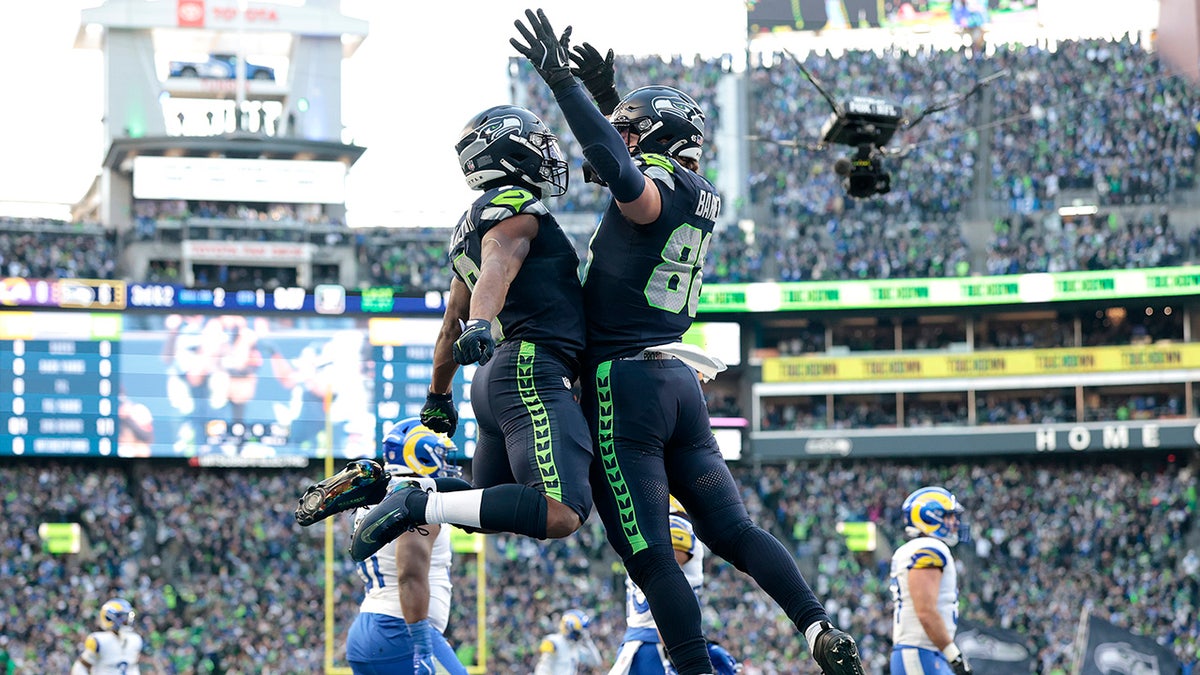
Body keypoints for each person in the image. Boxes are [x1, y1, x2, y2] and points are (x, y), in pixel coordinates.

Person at [511, 9, 865, 675]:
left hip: (627, 384)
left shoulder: (656, 188)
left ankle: (694, 668)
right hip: (678, 383)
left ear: (657, 140)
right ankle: (815, 625)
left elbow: (624, 175)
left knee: (648, 554)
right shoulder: (700, 190)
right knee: (733, 529)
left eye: (631, 132)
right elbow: (633, 164)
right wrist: (615, 103)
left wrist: (565, 86)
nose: (621, 139)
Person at [335, 104, 594, 564]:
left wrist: (439, 395)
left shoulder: (468, 227)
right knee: (561, 511)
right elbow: (498, 264)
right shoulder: (514, 212)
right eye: (535, 144)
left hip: (495, 380)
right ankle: (413, 503)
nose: (547, 153)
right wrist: (480, 323)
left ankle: (397, 489)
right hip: (532, 366)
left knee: (486, 506)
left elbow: (449, 320)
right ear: (506, 152)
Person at [346, 419, 469, 675]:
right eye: (440, 455)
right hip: (400, 631)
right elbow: (409, 573)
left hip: (369, 627)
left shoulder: (377, 495)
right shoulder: (416, 500)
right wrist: (423, 646)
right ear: (420, 455)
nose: (445, 463)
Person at [610, 497, 741, 675]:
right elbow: (665, 593)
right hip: (658, 646)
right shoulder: (675, 524)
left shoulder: (648, 527)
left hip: (647, 645)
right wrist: (674, 654)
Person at [889, 486, 973, 675]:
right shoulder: (929, 547)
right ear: (929, 517)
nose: (955, 522)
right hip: (921, 651)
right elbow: (925, 611)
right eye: (949, 516)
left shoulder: (916, 547)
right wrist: (954, 654)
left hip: (924, 652)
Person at [71, 598, 143, 675]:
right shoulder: (99, 640)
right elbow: (80, 667)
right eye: (123, 617)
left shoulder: (135, 639)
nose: (126, 621)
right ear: (110, 617)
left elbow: (132, 667)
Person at [535, 609, 602, 675]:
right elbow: (542, 668)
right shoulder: (554, 641)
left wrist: (588, 641)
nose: (580, 636)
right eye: (578, 633)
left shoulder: (576, 648)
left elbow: (596, 662)